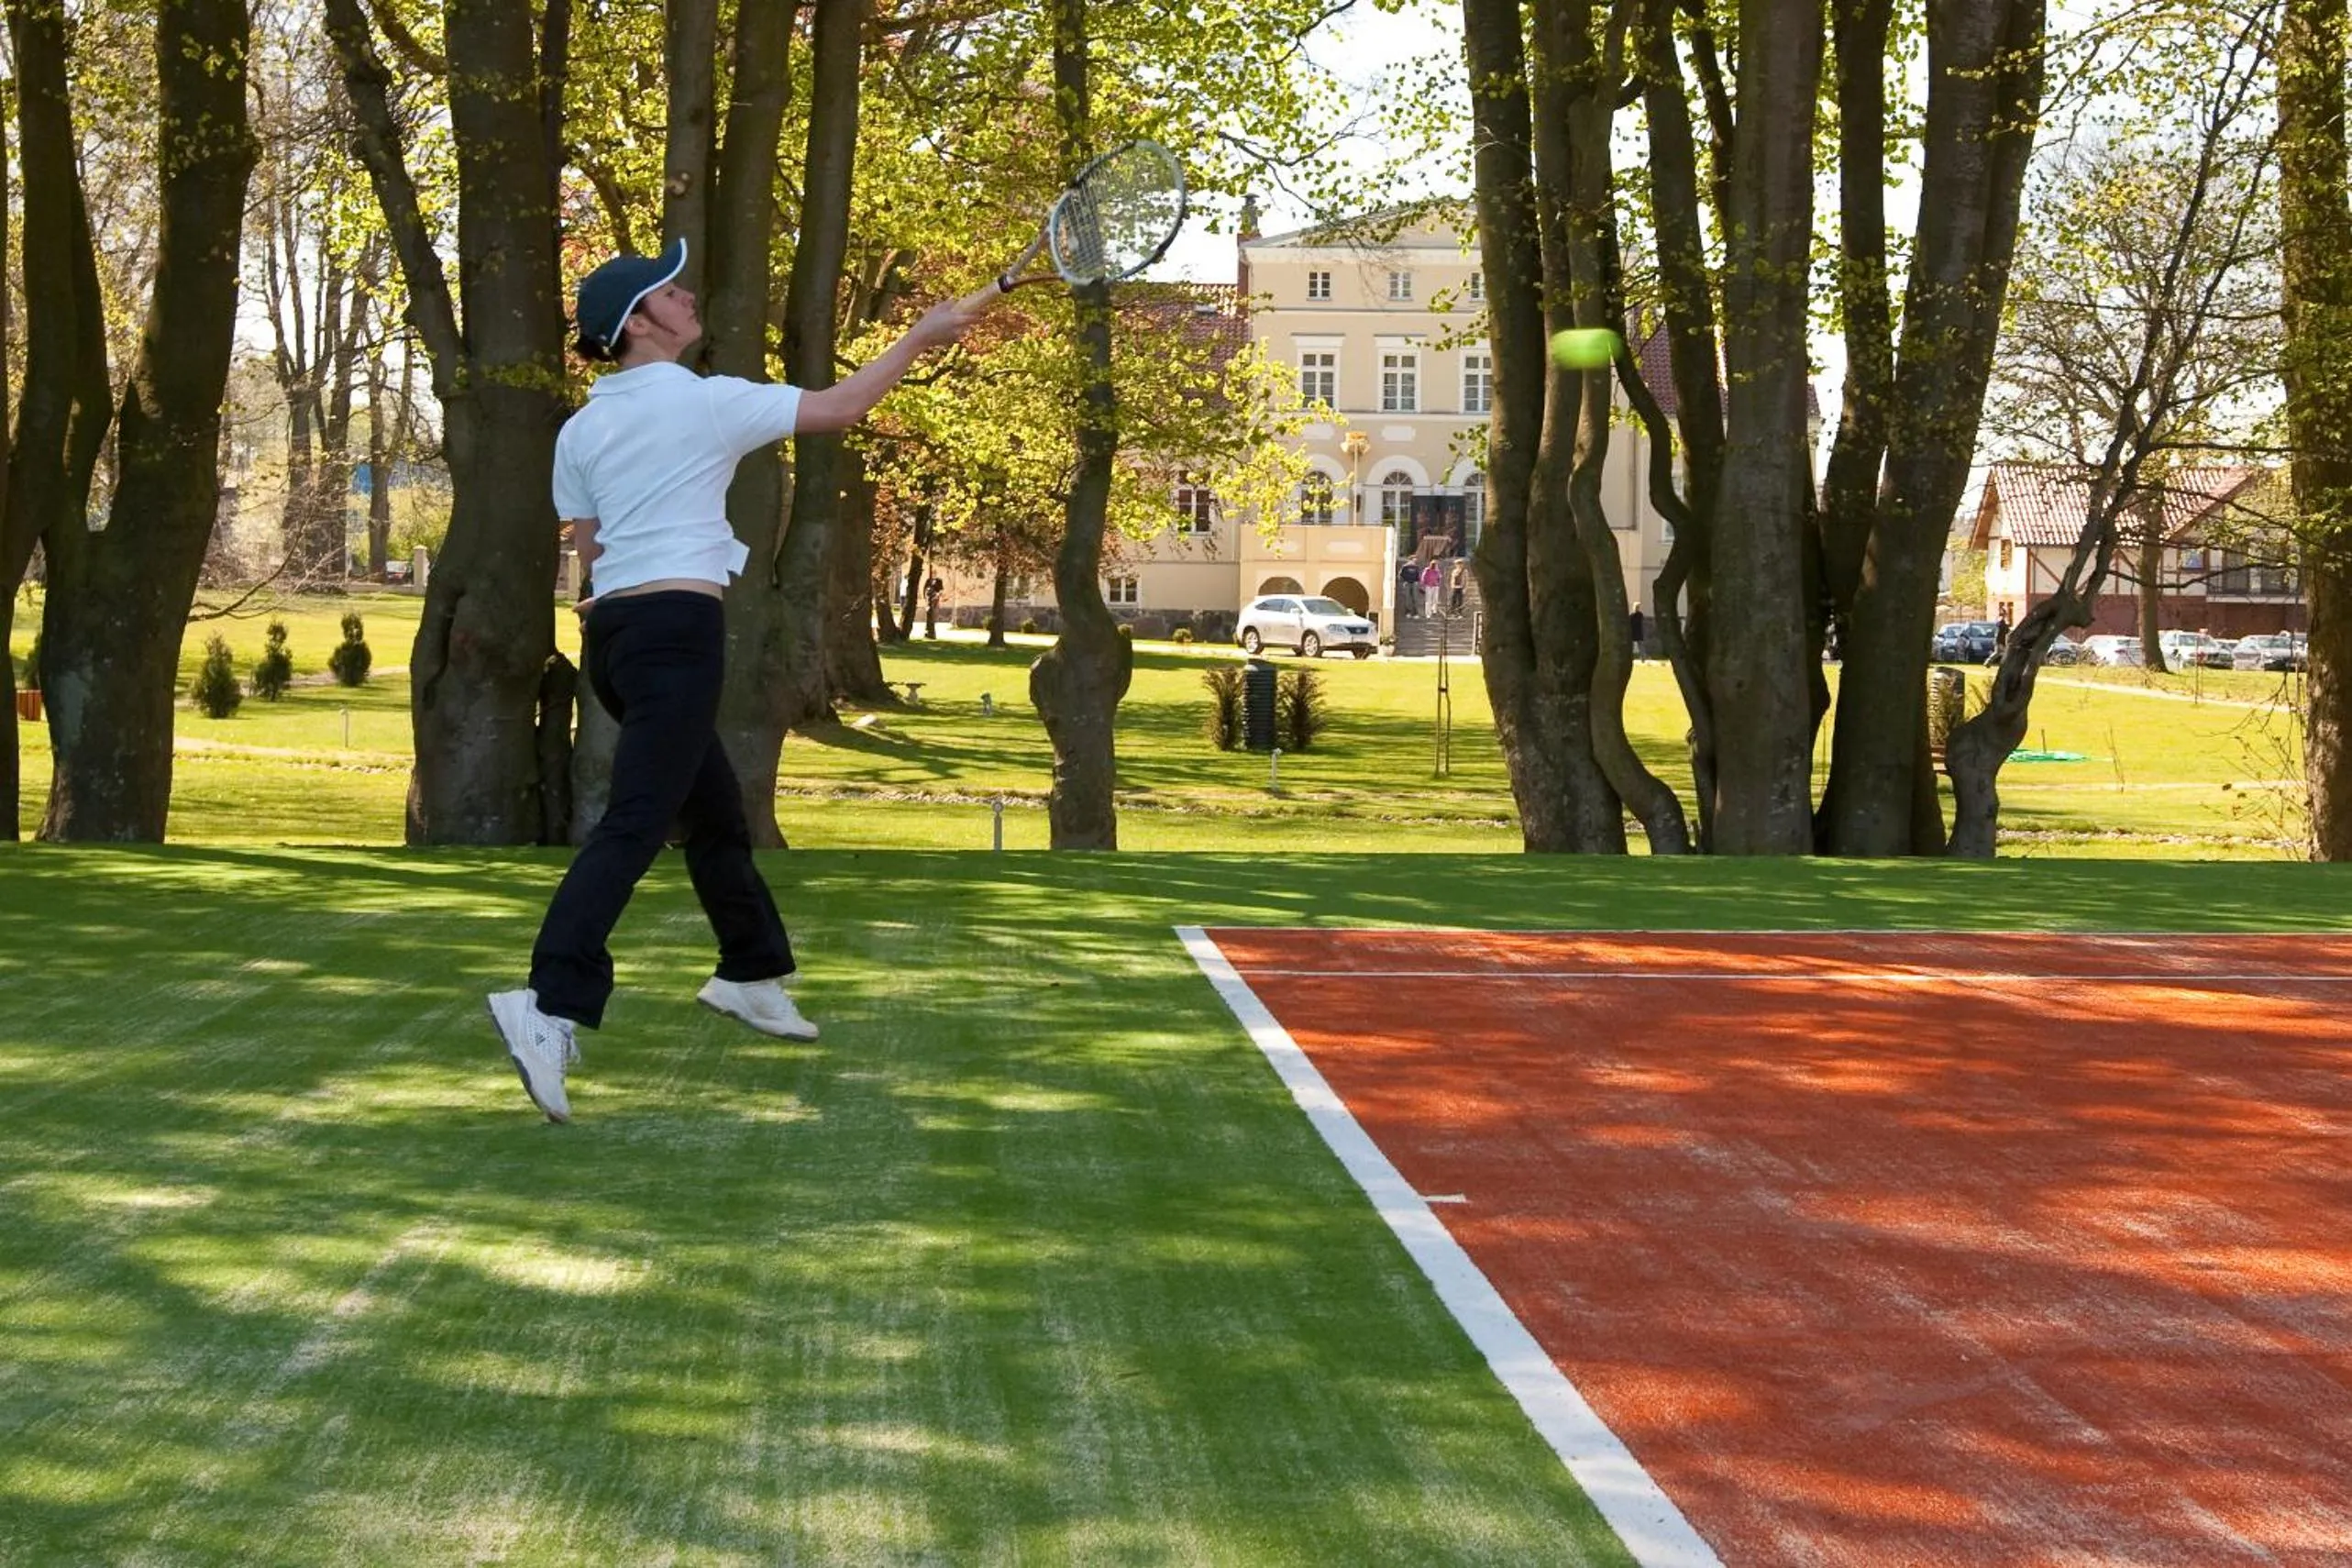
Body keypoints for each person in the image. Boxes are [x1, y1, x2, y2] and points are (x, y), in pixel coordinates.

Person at [486, 237, 1001, 1122]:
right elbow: (841, 406)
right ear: (638, 325)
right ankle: (548, 1002)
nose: (690, 297)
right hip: (677, 637)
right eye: (669, 293)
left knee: (714, 816)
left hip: (613, 637)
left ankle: (750, 973)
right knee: (639, 824)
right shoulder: (706, 403)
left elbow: (589, 551)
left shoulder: (580, 427)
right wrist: (920, 335)